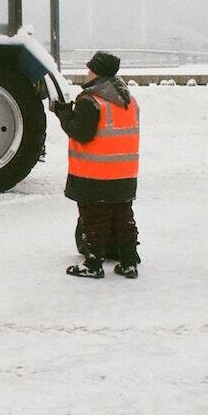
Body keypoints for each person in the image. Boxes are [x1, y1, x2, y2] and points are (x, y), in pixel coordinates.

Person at [51, 51, 142, 279]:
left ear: (97, 72)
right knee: (123, 216)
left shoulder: (90, 100)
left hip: (95, 173)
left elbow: (81, 134)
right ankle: (129, 262)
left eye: (90, 69)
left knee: (94, 218)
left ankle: (93, 264)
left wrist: (63, 115)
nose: (87, 72)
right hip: (124, 173)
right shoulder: (128, 100)